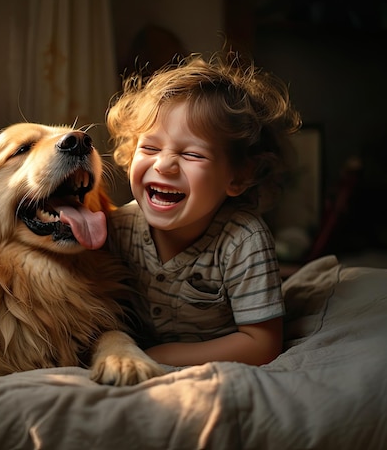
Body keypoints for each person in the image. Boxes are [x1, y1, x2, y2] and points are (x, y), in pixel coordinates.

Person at [105, 51, 302, 367]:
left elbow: (262, 343)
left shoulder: (243, 240)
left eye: (193, 155)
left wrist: (162, 357)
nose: (164, 164)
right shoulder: (118, 227)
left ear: (238, 177)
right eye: (150, 148)